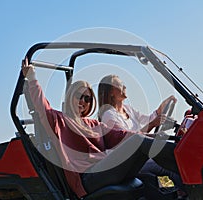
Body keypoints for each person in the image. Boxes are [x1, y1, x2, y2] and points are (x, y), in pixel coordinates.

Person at [22, 58, 178, 198]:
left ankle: (187, 170)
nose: (83, 101)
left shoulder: (94, 125)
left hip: (106, 169)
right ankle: (189, 163)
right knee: (139, 142)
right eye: (79, 96)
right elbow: (42, 107)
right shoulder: (59, 120)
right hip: (88, 178)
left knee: (149, 179)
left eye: (87, 98)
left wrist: (162, 138)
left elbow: (122, 136)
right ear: (69, 96)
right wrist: (32, 78)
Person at [97, 74, 187, 199]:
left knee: (175, 158)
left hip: (140, 155)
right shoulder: (109, 116)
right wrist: (153, 124)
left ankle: (184, 193)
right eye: (120, 84)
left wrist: (162, 109)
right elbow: (127, 140)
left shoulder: (127, 110)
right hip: (127, 161)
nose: (124, 86)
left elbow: (148, 120)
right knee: (168, 166)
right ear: (111, 92)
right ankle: (193, 193)